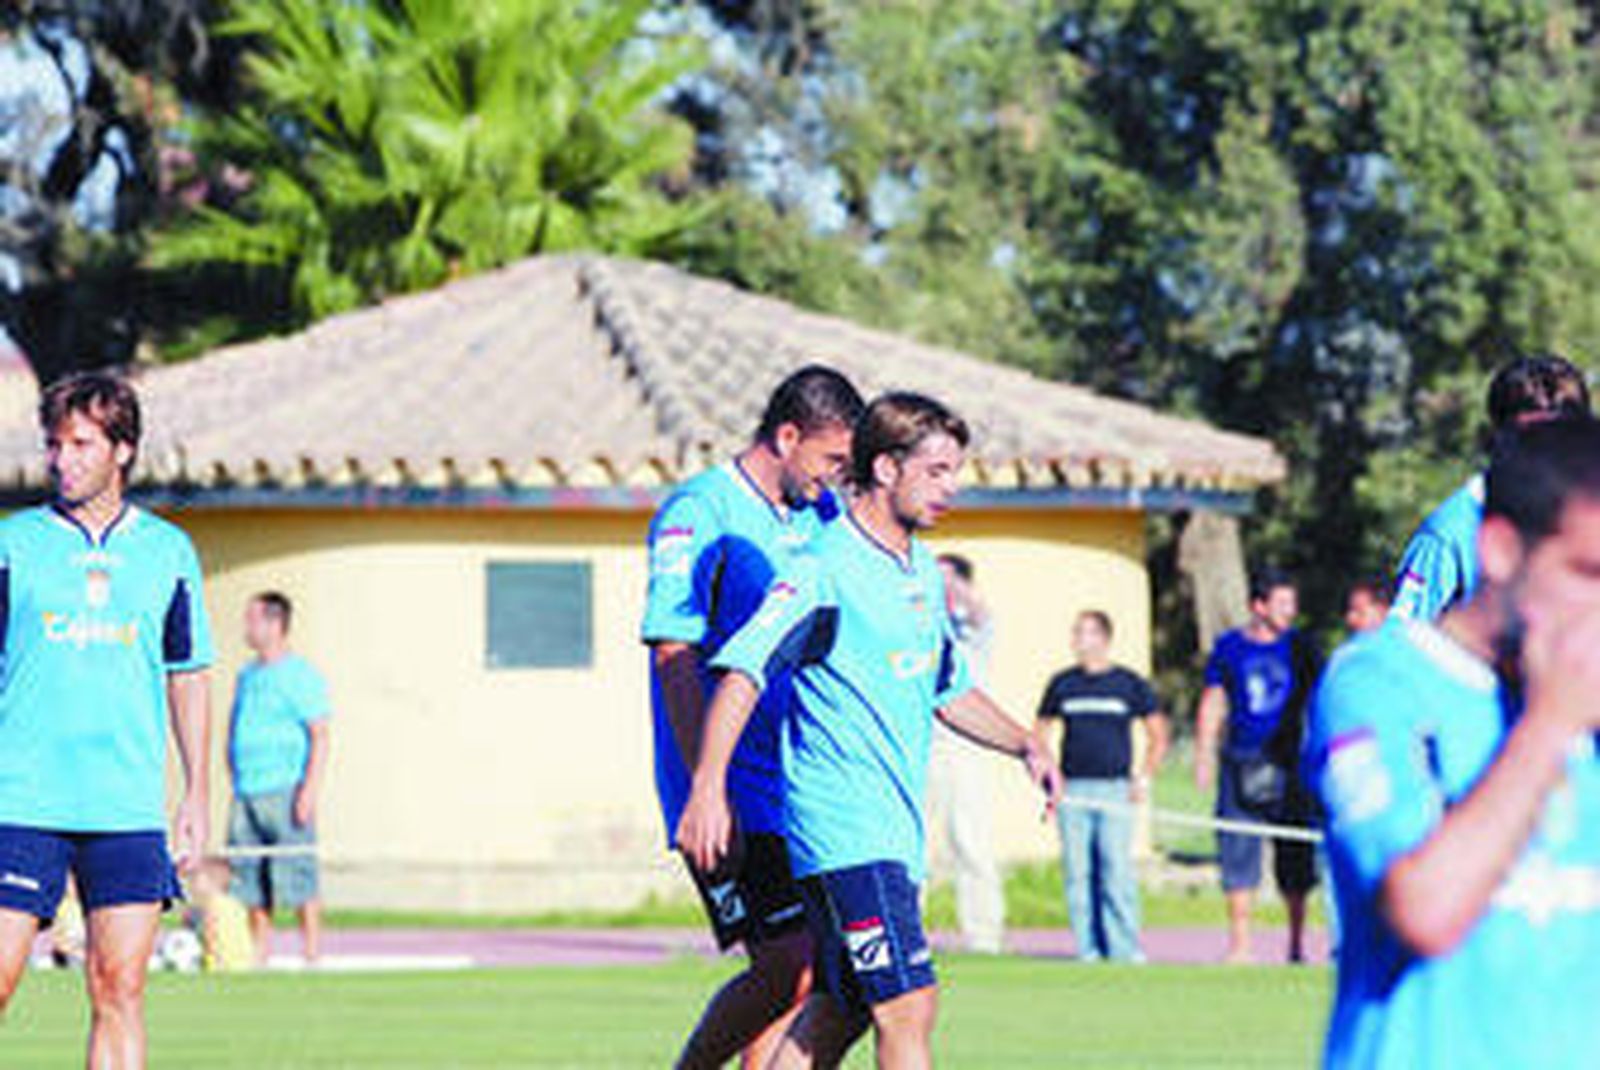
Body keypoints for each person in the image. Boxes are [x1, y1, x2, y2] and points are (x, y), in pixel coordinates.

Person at [678, 392, 1061, 1070]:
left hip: (892, 833)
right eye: (937, 472)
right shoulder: (822, 569)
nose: (952, 489)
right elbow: (741, 669)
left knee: (838, 1010)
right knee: (909, 1005)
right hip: (845, 833)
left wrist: (1025, 742)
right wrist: (708, 788)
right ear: (885, 469)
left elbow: (948, 686)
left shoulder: (916, 568)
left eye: (955, 471)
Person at [1306, 420, 1600, 1067]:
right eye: (1587, 573)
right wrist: (1550, 725)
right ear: (1499, 550)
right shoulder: (1380, 683)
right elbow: (1426, 911)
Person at [641, 365, 865, 1070]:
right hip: (728, 786)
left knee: (814, 978)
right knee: (789, 964)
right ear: (787, 435)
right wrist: (708, 790)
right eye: (831, 460)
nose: (835, 478)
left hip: (802, 784)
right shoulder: (697, 514)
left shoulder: (819, 515)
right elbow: (673, 653)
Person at [0, 372, 213, 1069]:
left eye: (81, 444)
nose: (63, 459)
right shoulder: (12, 545)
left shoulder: (168, 553)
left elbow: (188, 672)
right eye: (55, 445)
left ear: (122, 450)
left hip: (124, 805)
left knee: (118, 989)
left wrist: (197, 794)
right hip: (20, 797)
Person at [1393, 354, 1590, 620]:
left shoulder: (1585, 525)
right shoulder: (1449, 536)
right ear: (1499, 437)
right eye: (1533, 437)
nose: (1551, 450)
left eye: (1566, 434)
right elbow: (1401, 643)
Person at [1195, 568, 1320, 964]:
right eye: (1281, 603)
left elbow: (1324, 699)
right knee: (1237, 854)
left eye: (1292, 603)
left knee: (1295, 860)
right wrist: (1203, 754)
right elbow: (1214, 700)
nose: (1290, 611)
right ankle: (1240, 944)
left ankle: (1296, 945)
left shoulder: (1302, 647)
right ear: (1259, 606)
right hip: (1240, 761)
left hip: (1290, 766)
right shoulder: (1230, 648)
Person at [1035, 610, 1170, 963]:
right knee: (1078, 872)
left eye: (1087, 633)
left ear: (1105, 639)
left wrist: (1143, 777)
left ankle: (1124, 948)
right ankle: (1088, 948)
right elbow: (1040, 732)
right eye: (1076, 632)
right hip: (1073, 791)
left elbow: (1157, 735)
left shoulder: (1128, 684)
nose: (1079, 640)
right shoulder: (1062, 684)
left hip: (1114, 790)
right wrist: (1048, 775)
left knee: (1115, 869)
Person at [226, 590, 332, 967]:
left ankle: (312, 953)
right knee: (250, 876)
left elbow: (320, 733)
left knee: (297, 873)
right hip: (246, 789)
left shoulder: (300, 676)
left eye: (253, 619)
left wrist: (309, 790)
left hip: (285, 788)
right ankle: (260, 954)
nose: (247, 627)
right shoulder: (247, 675)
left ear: (275, 624)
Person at [924, 553, 1005, 954]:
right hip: (921, 742)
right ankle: (907, 931)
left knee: (970, 841)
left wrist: (954, 587)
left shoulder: (973, 629)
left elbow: (983, 614)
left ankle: (984, 935)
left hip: (964, 746)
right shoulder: (922, 622)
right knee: (912, 844)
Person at [186, 859, 254, 973]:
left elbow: (209, 935)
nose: (191, 886)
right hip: (243, 964)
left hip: (220, 965)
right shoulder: (237, 905)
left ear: (207, 882)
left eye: (194, 881)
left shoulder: (211, 907)